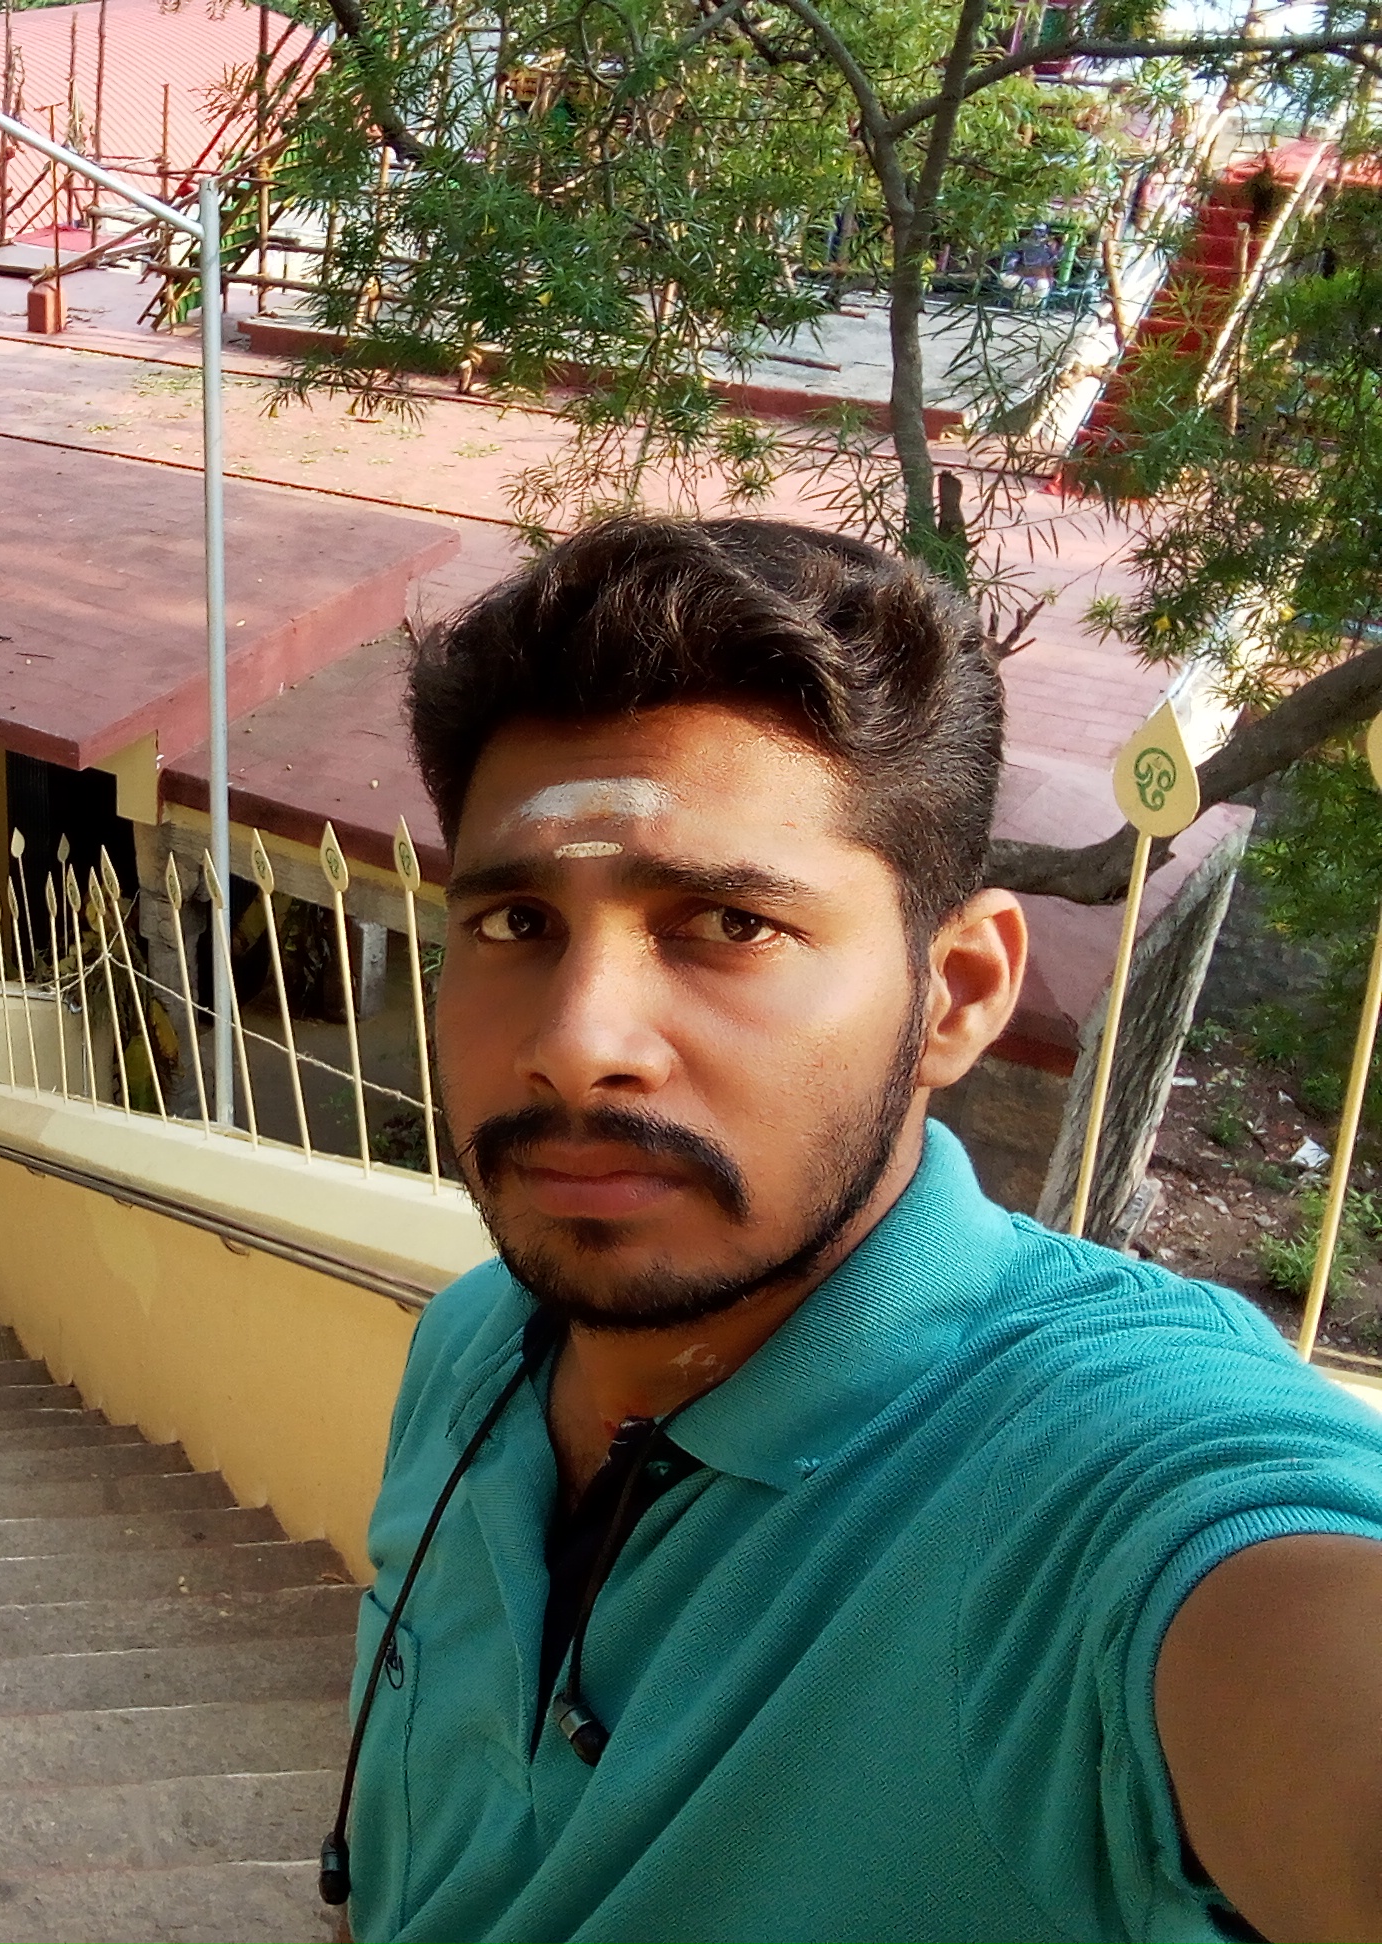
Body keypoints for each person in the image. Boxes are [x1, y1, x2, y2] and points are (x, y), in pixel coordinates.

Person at [331, 517, 1382, 1944]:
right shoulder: (471, 1347)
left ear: (957, 993)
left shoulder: (1094, 1485)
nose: (577, 1046)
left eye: (729, 924)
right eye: (517, 922)